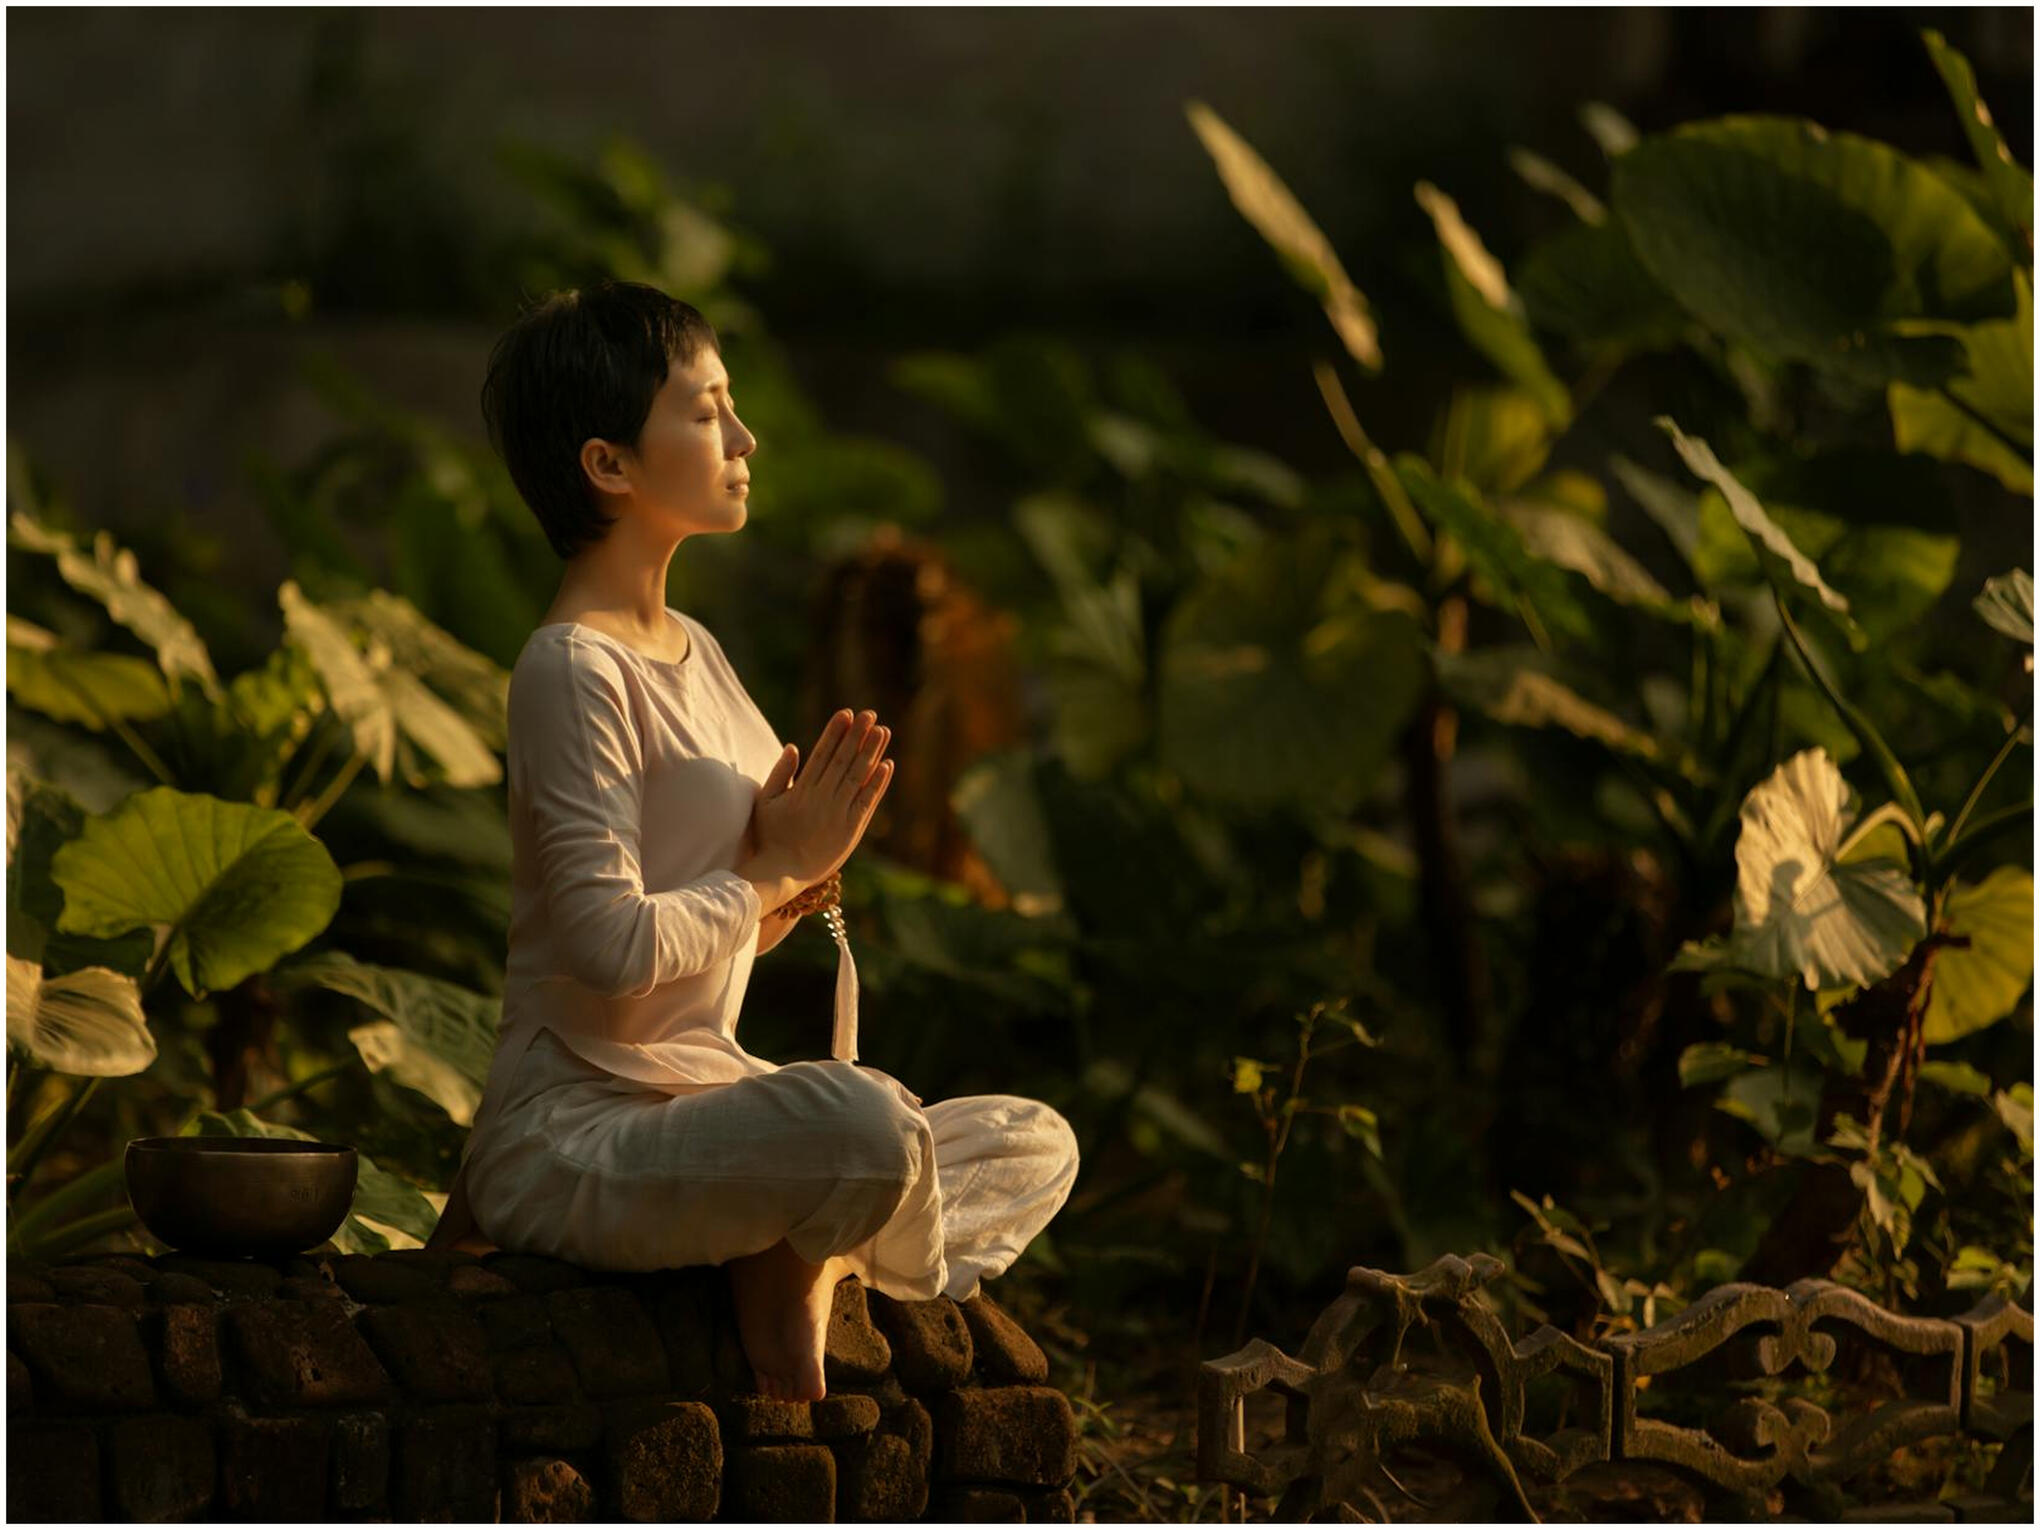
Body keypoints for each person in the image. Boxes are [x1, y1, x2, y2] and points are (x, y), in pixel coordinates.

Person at [422, 279, 1079, 1403]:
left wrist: (796, 867)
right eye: (707, 409)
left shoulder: (700, 650)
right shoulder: (572, 667)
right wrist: (769, 867)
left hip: (704, 1102)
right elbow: (610, 949)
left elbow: (726, 924)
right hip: (579, 1128)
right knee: (866, 1128)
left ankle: (788, 1236)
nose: (745, 436)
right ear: (609, 466)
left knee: (1034, 1141)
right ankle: (794, 1255)